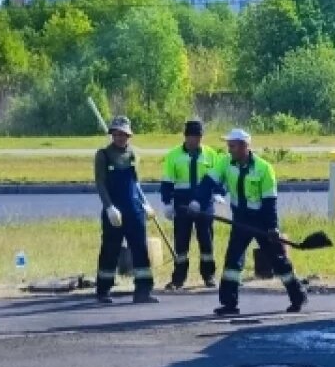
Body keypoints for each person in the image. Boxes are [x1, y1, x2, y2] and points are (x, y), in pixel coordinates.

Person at [188, 128, 306, 316]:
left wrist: (272, 226)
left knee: (278, 261)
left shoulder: (264, 168)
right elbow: (208, 182)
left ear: (244, 146)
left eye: (232, 146)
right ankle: (229, 303)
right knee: (232, 262)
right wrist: (196, 201)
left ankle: (298, 296)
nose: (229, 149)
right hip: (240, 219)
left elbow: (269, 201)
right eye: (228, 146)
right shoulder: (225, 163)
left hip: (261, 220)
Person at [95, 115, 157, 305]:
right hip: (115, 212)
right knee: (110, 250)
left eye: (124, 134)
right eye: (117, 133)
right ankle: (103, 289)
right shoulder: (103, 155)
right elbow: (100, 183)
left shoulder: (132, 154)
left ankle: (143, 290)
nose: (120, 137)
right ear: (112, 134)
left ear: (129, 136)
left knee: (140, 250)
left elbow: (136, 183)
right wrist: (109, 207)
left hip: (134, 210)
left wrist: (146, 203)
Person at [160, 119, 221, 289]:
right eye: (192, 136)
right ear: (185, 137)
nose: (195, 140)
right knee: (181, 242)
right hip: (182, 203)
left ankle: (209, 276)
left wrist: (217, 194)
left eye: (199, 136)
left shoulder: (211, 154)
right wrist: (167, 203)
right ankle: (178, 279)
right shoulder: (173, 155)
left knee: (206, 241)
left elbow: (217, 178)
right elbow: (167, 182)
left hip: (204, 203)